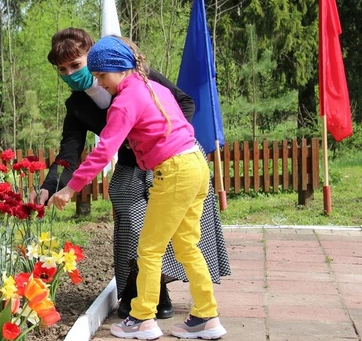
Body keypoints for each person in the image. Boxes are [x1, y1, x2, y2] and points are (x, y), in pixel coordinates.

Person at [38, 28, 229, 321]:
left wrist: (157, 141)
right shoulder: (76, 105)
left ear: (95, 57)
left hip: (171, 156)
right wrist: (51, 186)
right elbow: (69, 152)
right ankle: (138, 288)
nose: (70, 74)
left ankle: (158, 295)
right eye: (62, 70)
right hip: (133, 163)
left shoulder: (137, 76)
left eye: (76, 65)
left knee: (173, 233)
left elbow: (186, 103)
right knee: (127, 204)